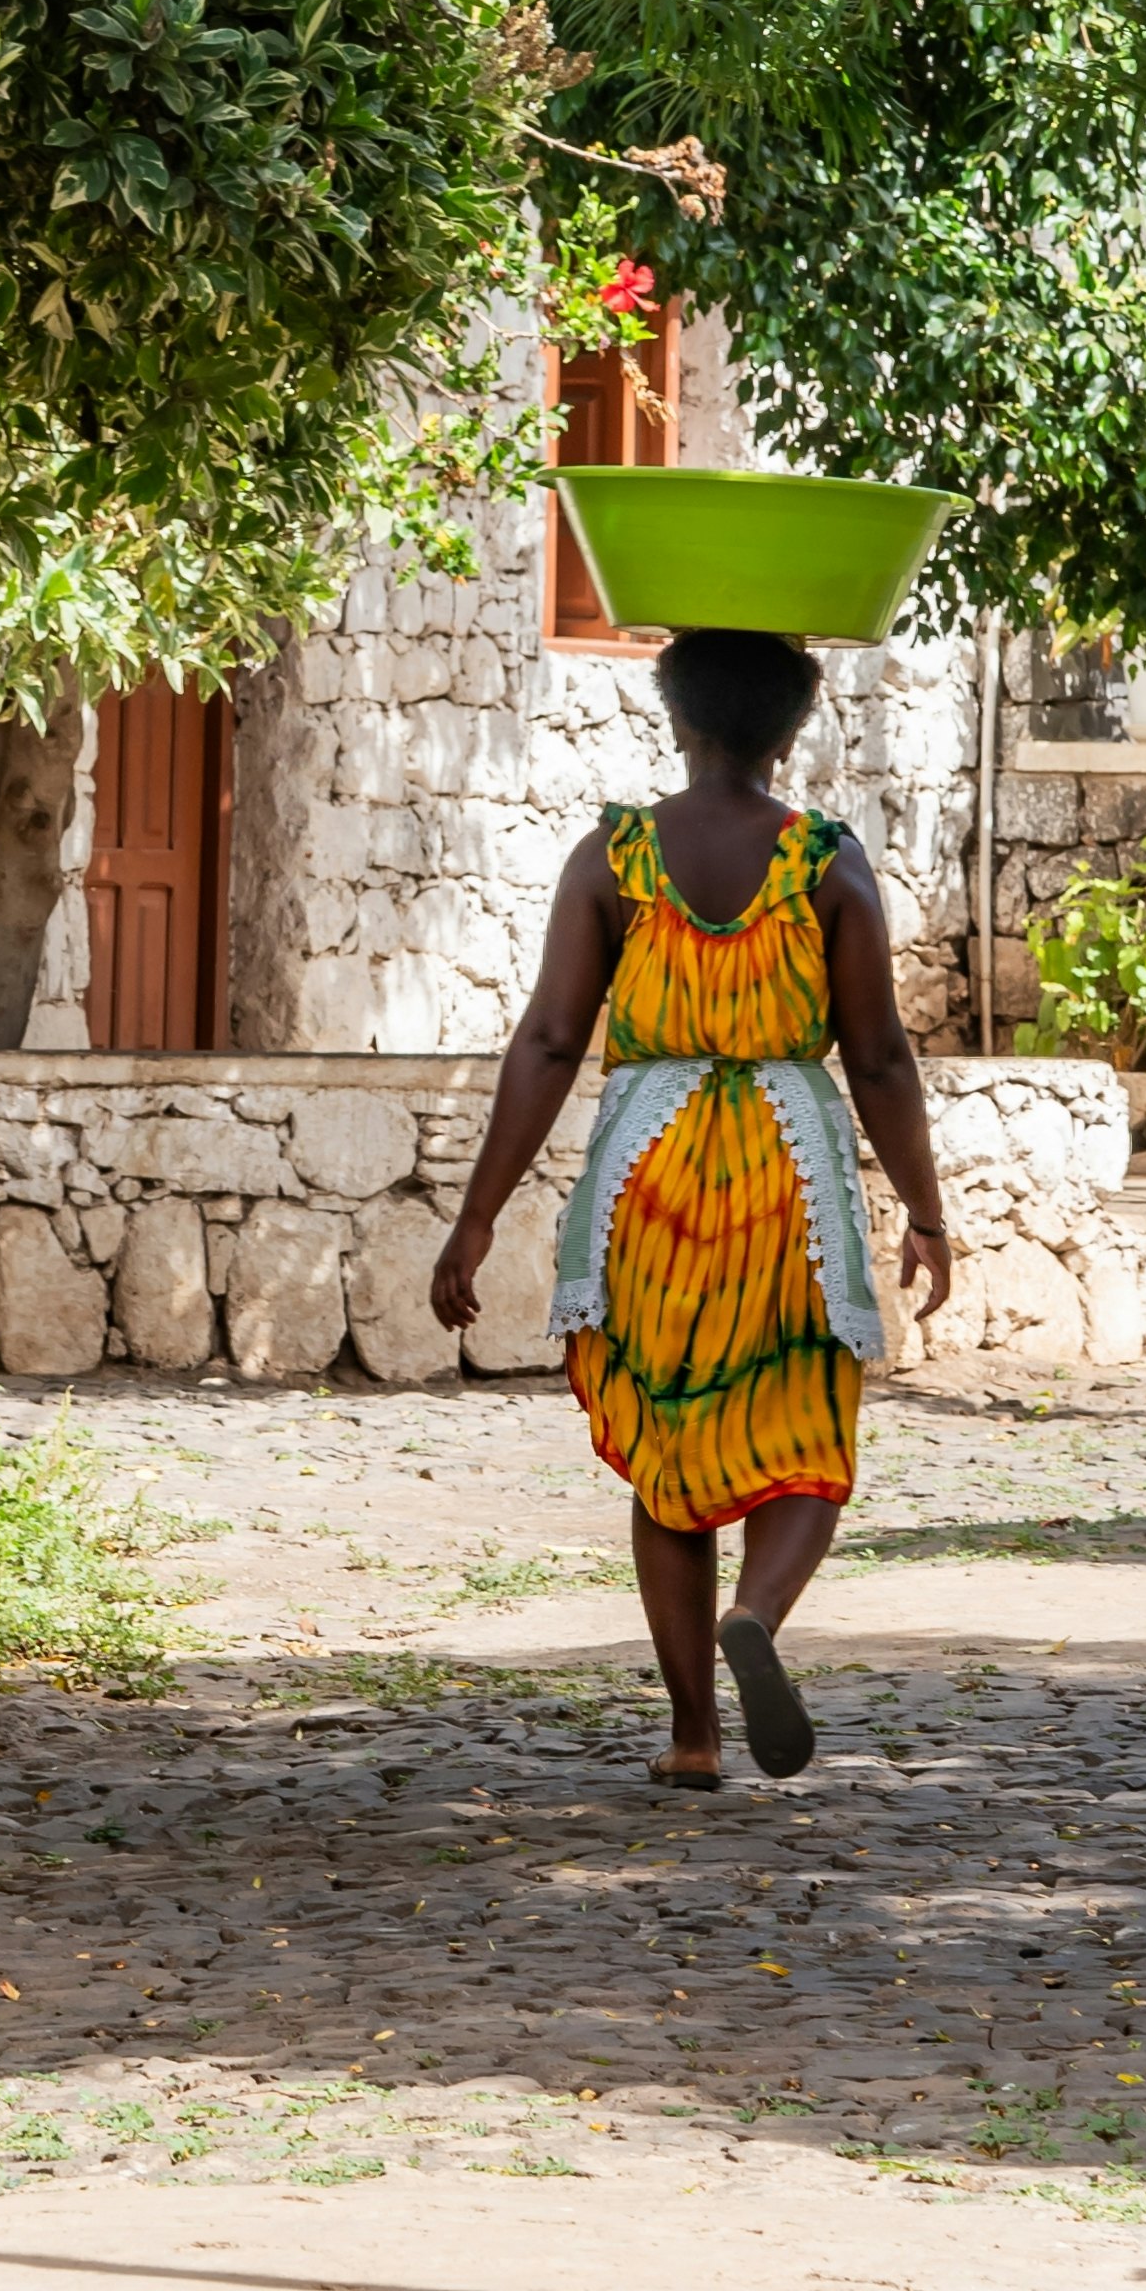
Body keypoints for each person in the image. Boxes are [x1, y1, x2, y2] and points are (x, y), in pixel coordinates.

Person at [426, 625, 959, 1785]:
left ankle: (692, 1736)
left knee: (670, 1448)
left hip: (650, 1175)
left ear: (677, 720)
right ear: (792, 729)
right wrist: (923, 1210)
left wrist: (475, 1218)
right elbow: (876, 1059)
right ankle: (759, 1613)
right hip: (787, 1174)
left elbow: (552, 1038)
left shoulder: (611, 858)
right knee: (806, 1434)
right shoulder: (827, 862)